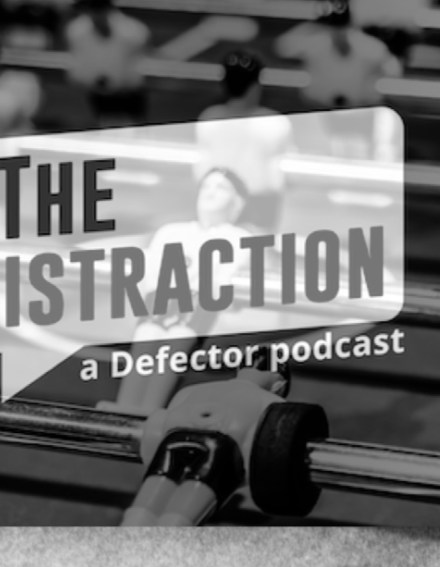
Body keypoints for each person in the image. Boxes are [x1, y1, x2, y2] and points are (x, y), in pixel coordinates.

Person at [115, 167, 258, 415]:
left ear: (237, 202)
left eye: (221, 188)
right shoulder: (171, 231)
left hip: (196, 305)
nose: (211, 193)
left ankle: (150, 410)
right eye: (207, 186)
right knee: (146, 339)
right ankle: (122, 407)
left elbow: (222, 281)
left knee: (175, 345)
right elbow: (152, 273)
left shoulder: (239, 239)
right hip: (162, 300)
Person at [198, 53, 292, 231]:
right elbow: (278, 178)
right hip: (259, 204)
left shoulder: (209, 117)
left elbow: (201, 169)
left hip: (220, 199)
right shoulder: (275, 123)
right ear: (256, 86)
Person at [276, 0, 402, 110]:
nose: (339, 32)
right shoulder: (315, 42)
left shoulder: (369, 47)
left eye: (342, 26)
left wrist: (373, 79)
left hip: (358, 111)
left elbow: (394, 70)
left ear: (351, 25)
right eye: (334, 26)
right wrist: (313, 25)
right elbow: (281, 48)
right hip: (319, 109)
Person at [64, 0, 152, 126]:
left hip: (129, 95)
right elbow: (77, 67)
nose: (96, 14)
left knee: (134, 130)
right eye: (92, 9)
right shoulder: (76, 31)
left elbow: (140, 64)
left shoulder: (134, 31)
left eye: (99, 9)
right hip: (96, 94)